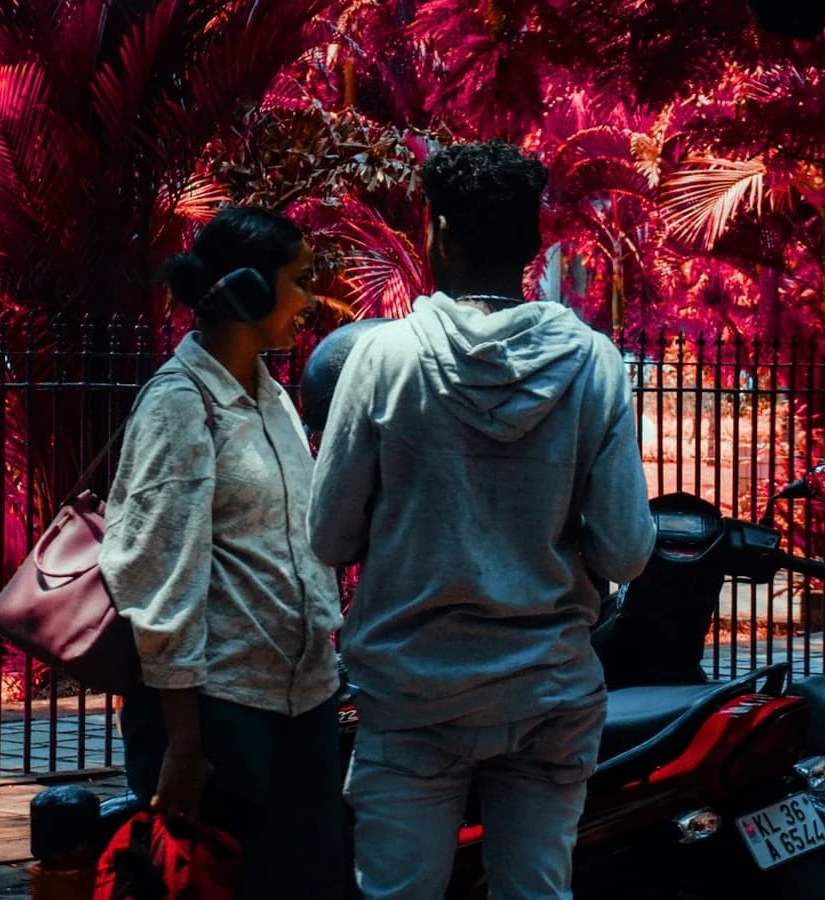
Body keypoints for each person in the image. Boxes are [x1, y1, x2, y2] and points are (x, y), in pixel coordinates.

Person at [308, 141, 656, 899]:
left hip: (410, 694)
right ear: (532, 245)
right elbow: (628, 550)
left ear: (437, 233)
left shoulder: (381, 360)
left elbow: (329, 535)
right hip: (549, 695)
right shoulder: (593, 364)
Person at [99, 205, 345, 899]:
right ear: (248, 289)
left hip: (303, 704)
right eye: (297, 281)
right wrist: (183, 745)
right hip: (220, 717)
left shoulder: (270, 398)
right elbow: (158, 578)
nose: (308, 300)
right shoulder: (178, 405)